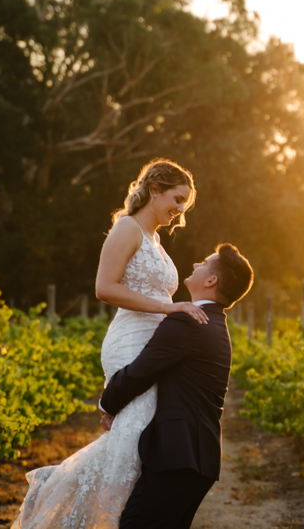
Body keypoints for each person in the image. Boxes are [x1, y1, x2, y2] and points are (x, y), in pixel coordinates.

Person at [11, 158, 207, 529]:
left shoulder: (156, 238)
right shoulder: (127, 229)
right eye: (177, 199)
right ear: (155, 190)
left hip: (152, 345)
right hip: (129, 340)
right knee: (134, 438)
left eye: (185, 204)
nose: (180, 211)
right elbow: (105, 288)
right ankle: (81, 507)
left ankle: (116, 515)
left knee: (138, 433)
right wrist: (169, 307)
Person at [99, 243, 254, 529]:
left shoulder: (189, 322)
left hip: (178, 457)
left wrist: (107, 404)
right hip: (196, 459)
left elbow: (139, 372)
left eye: (204, 263)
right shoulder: (214, 323)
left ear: (211, 280)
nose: (196, 265)